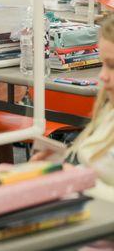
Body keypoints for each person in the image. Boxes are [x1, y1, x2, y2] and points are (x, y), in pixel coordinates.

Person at [32, 15, 114, 202]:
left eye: (112, 66)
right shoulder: (109, 110)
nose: (102, 76)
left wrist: (72, 179)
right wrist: (56, 167)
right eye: (103, 65)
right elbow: (97, 170)